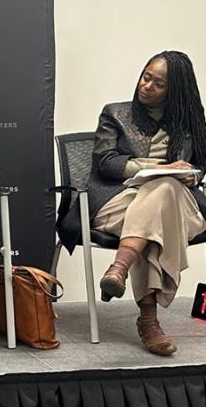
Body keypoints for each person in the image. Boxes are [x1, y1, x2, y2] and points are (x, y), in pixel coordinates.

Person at [85, 51, 206, 356]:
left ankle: (119, 268)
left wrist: (192, 176)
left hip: (180, 208)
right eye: (146, 76)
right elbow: (106, 164)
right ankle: (149, 323)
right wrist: (161, 169)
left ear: (176, 90)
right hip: (118, 203)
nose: (147, 85)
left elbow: (201, 164)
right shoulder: (115, 114)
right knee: (153, 216)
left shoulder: (191, 122)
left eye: (159, 83)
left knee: (163, 194)